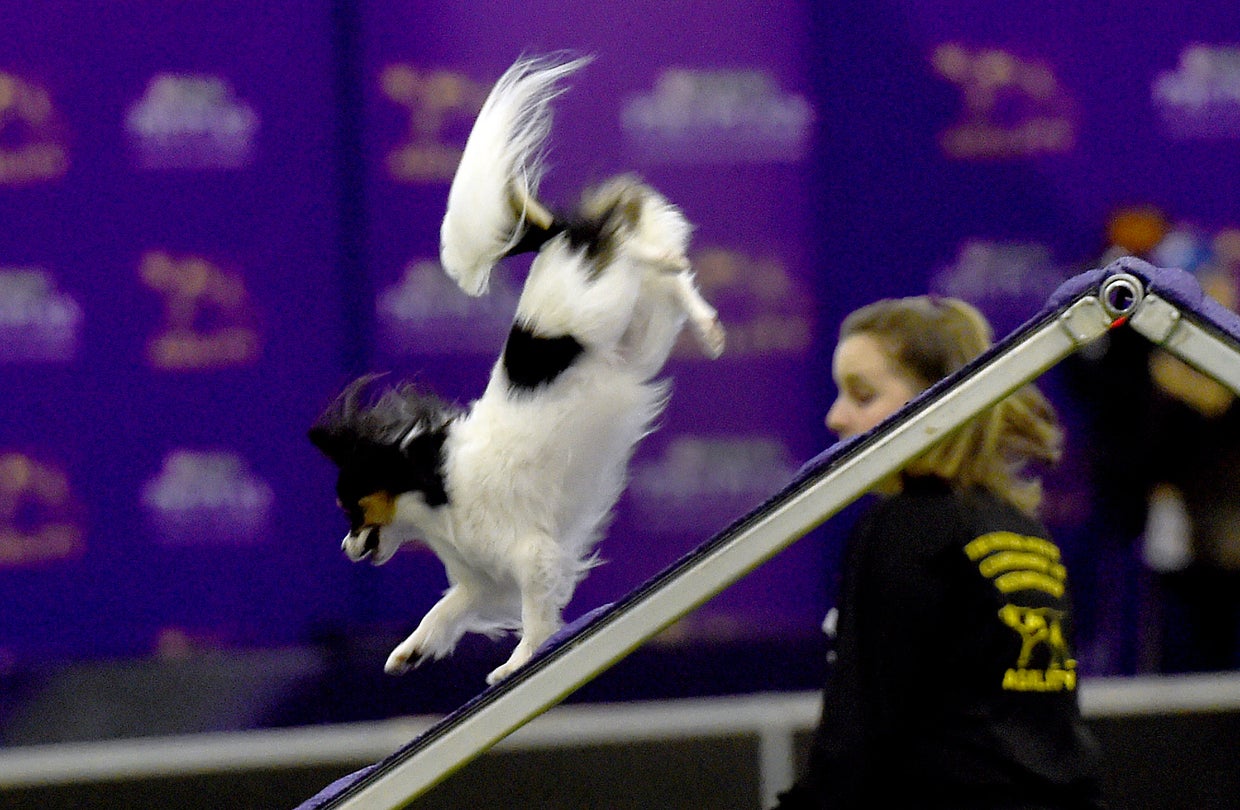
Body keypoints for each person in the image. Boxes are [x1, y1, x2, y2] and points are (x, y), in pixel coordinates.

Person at [773, 296, 1104, 809]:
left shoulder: (903, 528)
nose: (836, 416)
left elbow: (858, 734)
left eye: (862, 395)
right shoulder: (1022, 530)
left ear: (935, 401)